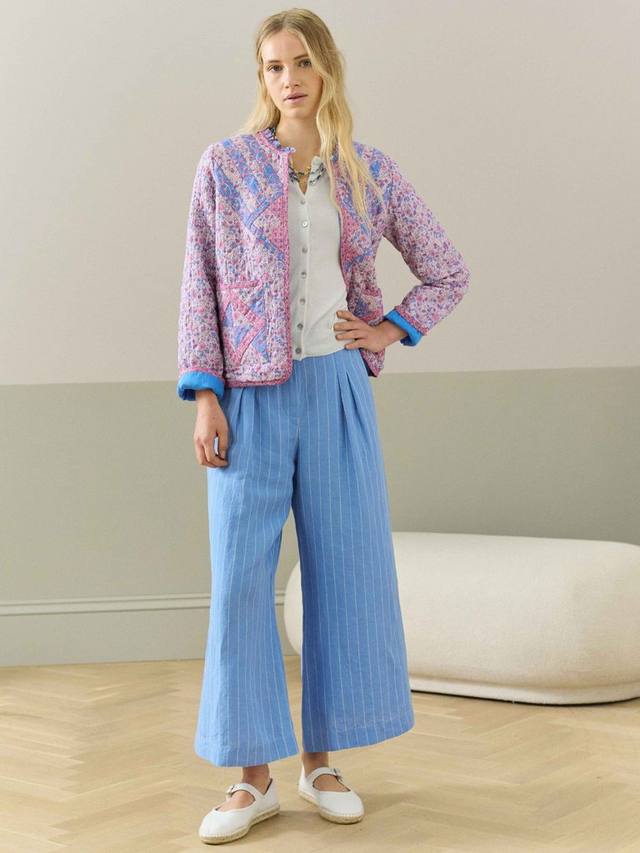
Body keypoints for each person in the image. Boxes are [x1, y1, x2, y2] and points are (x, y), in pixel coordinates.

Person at [176, 8, 470, 845]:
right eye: (274, 67)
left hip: (337, 389)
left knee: (341, 575)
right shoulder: (226, 166)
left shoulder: (367, 173)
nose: (289, 79)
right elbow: (200, 281)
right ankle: (251, 777)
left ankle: (320, 764)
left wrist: (387, 329)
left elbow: (447, 270)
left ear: (327, 68)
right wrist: (206, 395)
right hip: (249, 397)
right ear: (261, 78)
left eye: (301, 62)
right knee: (240, 582)